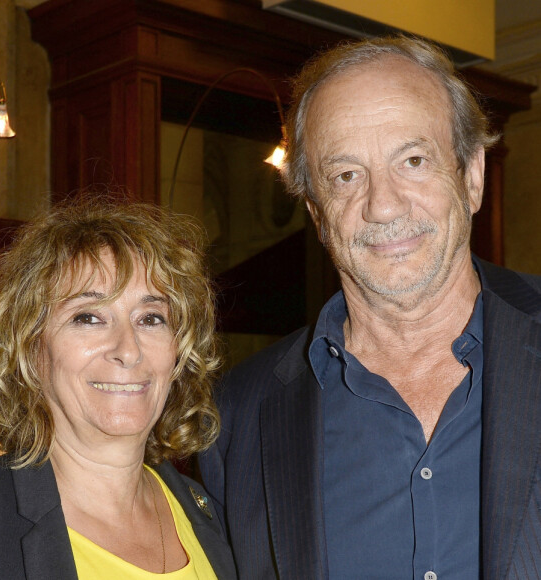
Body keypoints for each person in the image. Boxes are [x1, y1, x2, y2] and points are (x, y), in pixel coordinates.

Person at [198, 34, 541, 579]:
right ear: (316, 211)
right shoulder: (240, 414)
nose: (382, 206)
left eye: (412, 159)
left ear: (471, 176)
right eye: (346, 175)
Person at [0, 197, 236, 579]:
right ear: (29, 346)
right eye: (88, 317)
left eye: (151, 318)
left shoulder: (208, 510)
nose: (128, 350)